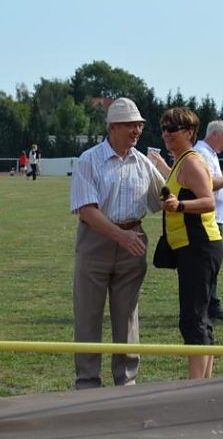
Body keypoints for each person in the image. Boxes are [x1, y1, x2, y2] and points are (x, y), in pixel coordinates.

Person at [69, 97, 164, 390]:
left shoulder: (143, 162)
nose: (136, 130)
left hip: (132, 242)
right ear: (112, 127)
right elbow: (87, 209)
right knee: (88, 315)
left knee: (127, 317)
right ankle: (87, 384)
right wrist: (120, 236)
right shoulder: (89, 160)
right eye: (129, 125)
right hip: (96, 242)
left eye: (139, 125)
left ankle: (126, 382)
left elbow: (162, 198)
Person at [152, 121, 223, 321]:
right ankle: (211, 306)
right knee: (202, 272)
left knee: (206, 271)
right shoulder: (200, 154)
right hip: (201, 224)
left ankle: (210, 305)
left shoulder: (208, 153)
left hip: (208, 220)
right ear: (214, 134)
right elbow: (208, 185)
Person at [159, 107, 223, 379]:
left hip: (200, 246)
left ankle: (196, 386)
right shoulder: (181, 160)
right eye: (163, 128)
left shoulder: (191, 162)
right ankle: (204, 384)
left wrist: (179, 205)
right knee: (199, 316)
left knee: (193, 318)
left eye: (172, 129)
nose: (166, 134)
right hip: (192, 248)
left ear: (189, 132)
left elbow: (209, 201)